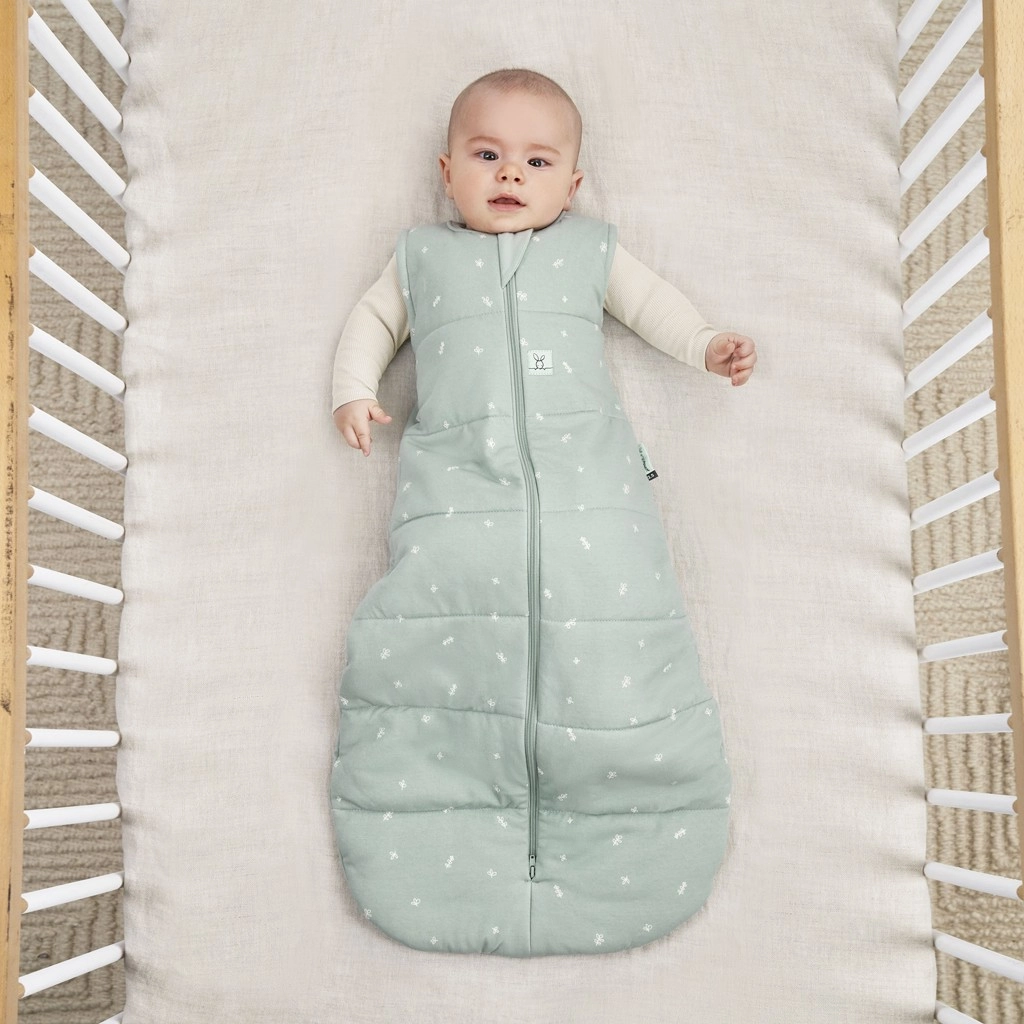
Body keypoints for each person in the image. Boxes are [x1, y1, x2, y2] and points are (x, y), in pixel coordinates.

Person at [332, 67, 757, 455]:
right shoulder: (423, 253)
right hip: (456, 462)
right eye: (487, 155)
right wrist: (353, 389)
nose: (510, 173)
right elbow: (375, 319)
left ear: (570, 189)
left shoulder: (588, 247)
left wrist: (702, 344)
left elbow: (648, 301)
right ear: (447, 174)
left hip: (585, 457)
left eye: (536, 162)